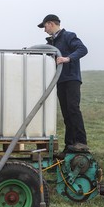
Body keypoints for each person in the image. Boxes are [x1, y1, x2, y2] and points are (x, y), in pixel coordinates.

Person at [37, 14, 89, 153]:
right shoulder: (51, 43)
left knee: (73, 109)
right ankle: (70, 145)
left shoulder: (69, 36)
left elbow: (83, 49)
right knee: (66, 113)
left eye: (45, 26)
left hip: (71, 78)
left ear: (51, 23)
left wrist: (67, 58)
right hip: (60, 80)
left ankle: (81, 142)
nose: (44, 30)